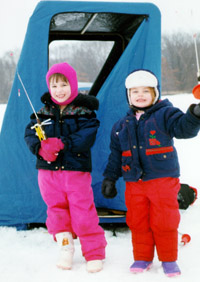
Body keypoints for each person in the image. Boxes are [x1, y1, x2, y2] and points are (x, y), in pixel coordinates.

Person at [101, 69, 200, 277]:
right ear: (128, 95)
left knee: (165, 221)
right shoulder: (121, 126)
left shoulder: (166, 114)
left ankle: (169, 259)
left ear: (155, 93)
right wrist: (110, 178)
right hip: (134, 183)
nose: (140, 95)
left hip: (162, 180)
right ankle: (142, 257)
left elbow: (184, 129)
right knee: (137, 221)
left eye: (146, 91)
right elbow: (115, 155)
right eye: (134, 91)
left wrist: (195, 115)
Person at [25, 62, 107, 273]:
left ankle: (94, 252)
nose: (59, 90)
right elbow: (30, 133)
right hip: (48, 173)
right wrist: (39, 148)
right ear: (49, 88)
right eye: (54, 86)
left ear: (73, 85)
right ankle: (65, 248)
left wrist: (63, 143)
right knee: (56, 211)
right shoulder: (42, 112)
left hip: (75, 171)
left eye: (64, 84)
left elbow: (87, 134)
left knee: (83, 212)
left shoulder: (84, 112)